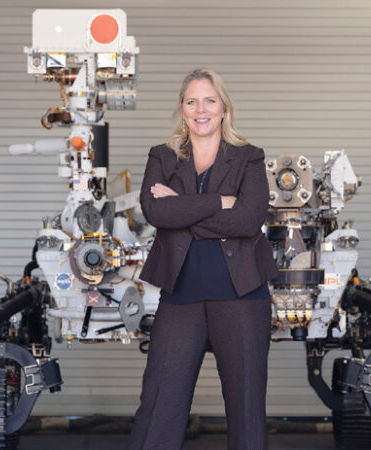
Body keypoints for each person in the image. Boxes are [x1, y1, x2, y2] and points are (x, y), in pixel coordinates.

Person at [127, 68, 279, 450]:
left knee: (246, 407)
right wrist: (218, 203)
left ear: (224, 108)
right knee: (160, 401)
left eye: (210, 100)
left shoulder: (248, 157)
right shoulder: (162, 157)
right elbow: (157, 214)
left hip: (242, 295)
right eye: (192, 101)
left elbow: (248, 220)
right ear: (182, 109)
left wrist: (182, 209)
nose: (201, 109)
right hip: (181, 296)